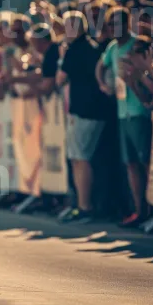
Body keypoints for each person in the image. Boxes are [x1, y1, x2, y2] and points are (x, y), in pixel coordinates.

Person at [96, 7, 153, 227]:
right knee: (130, 164)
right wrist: (103, 84)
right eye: (110, 25)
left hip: (140, 110)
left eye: (117, 24)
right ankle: (140, 211)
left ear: (127, 24)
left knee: (145, 161)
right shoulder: (112, 48)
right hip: (123, 113)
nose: (113, 29)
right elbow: (100, 66)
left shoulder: (138, 44)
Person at [57, 11, 110, 223]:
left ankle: (84, 206)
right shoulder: (92, 47)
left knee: (80, 158)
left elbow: (59, 80)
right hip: (93, 110)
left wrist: (62, 58)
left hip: (85, 111)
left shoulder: (75, 49)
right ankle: (84, 205)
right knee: (81, 157)